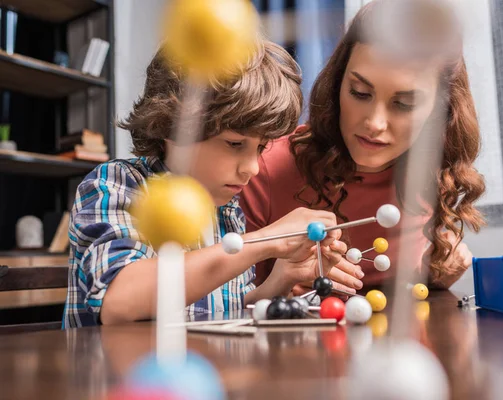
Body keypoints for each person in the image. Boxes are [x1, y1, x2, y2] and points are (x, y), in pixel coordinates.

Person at [63, 40, 347, 328]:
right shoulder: (117, 185)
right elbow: (119, 301)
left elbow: (223, 310)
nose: (252, 168)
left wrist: (281, 278)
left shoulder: (225, 210)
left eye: (261, 148)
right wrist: (264, 241)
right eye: (235, 143)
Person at [241, 0, 485, 295]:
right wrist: (279, 285)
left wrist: (436, 277)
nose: (374, 123)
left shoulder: (432, 175)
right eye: (360, 92)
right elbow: (221, 308)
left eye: (404, 104)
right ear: (338, 82)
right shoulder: (262, 168)